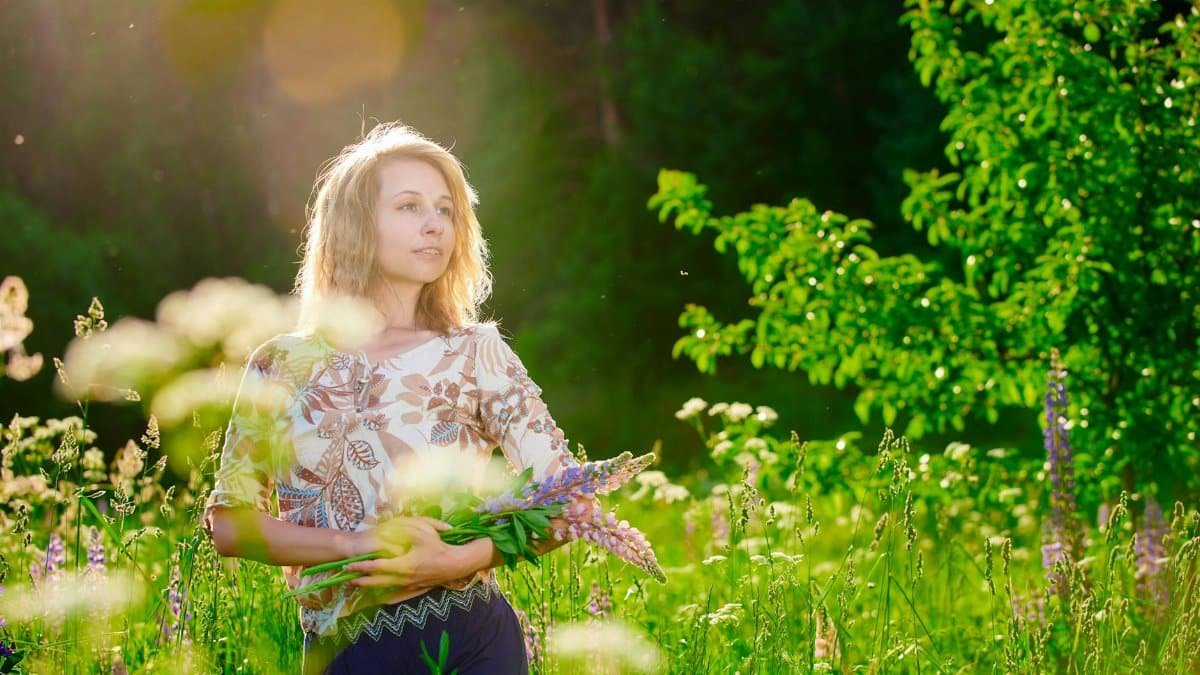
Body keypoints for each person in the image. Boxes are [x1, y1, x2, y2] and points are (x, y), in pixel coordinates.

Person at [202, 122, 586, 674]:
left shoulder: (477, 353)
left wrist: (453, 559)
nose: (434, 225)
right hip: (346, 652)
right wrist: (355, 545)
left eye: (445, 210)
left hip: (474, 640)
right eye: (409, 207)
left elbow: (566, 501)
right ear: (355, 225)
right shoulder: (281, 365)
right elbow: (231, 525)